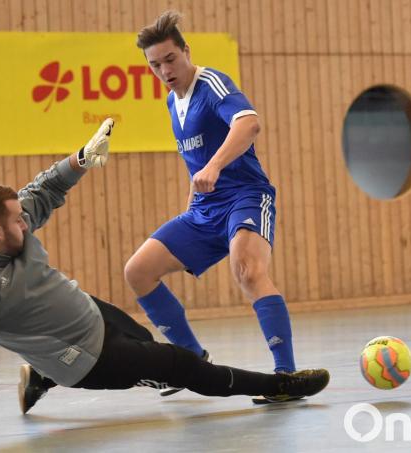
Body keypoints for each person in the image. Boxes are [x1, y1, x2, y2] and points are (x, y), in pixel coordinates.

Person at [0, 119, 329, 444]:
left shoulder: (12, 227)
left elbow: (43, 189)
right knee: (181, 366)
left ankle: (39, 376)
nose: (25, 221)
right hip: (90, 360)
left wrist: (81, 159)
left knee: (147, 339)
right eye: (16, 220)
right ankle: (277, 385)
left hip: (89, 312)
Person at [125, 11, 322, 401]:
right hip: (204, 210)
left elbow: (249, 124)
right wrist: (192, 204)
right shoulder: (171, 102)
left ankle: (285, 376)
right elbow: (195, 167)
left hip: (245, 196)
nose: (165, 70)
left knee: (247, 271)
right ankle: (189, 360)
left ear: (186, 51)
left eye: (170, 59)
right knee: (138, 271)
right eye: (154, 65)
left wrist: (216, 164)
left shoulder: (212, 83)